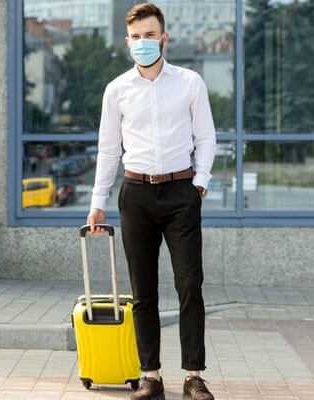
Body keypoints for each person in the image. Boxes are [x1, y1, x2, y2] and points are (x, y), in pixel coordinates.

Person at [85, 3, 217, 400]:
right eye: (136, 37)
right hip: (136, 194)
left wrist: (200, 184)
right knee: (143, 291)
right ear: (128, 42)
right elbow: (108, 150)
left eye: (150, 35)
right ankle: (151, 376)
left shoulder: (190, 82)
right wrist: (97, 202)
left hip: (180, 194)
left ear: (164, 38)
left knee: (190, 284)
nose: (143, 42)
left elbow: (206, 137)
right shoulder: (117, 90)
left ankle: (194, 376)